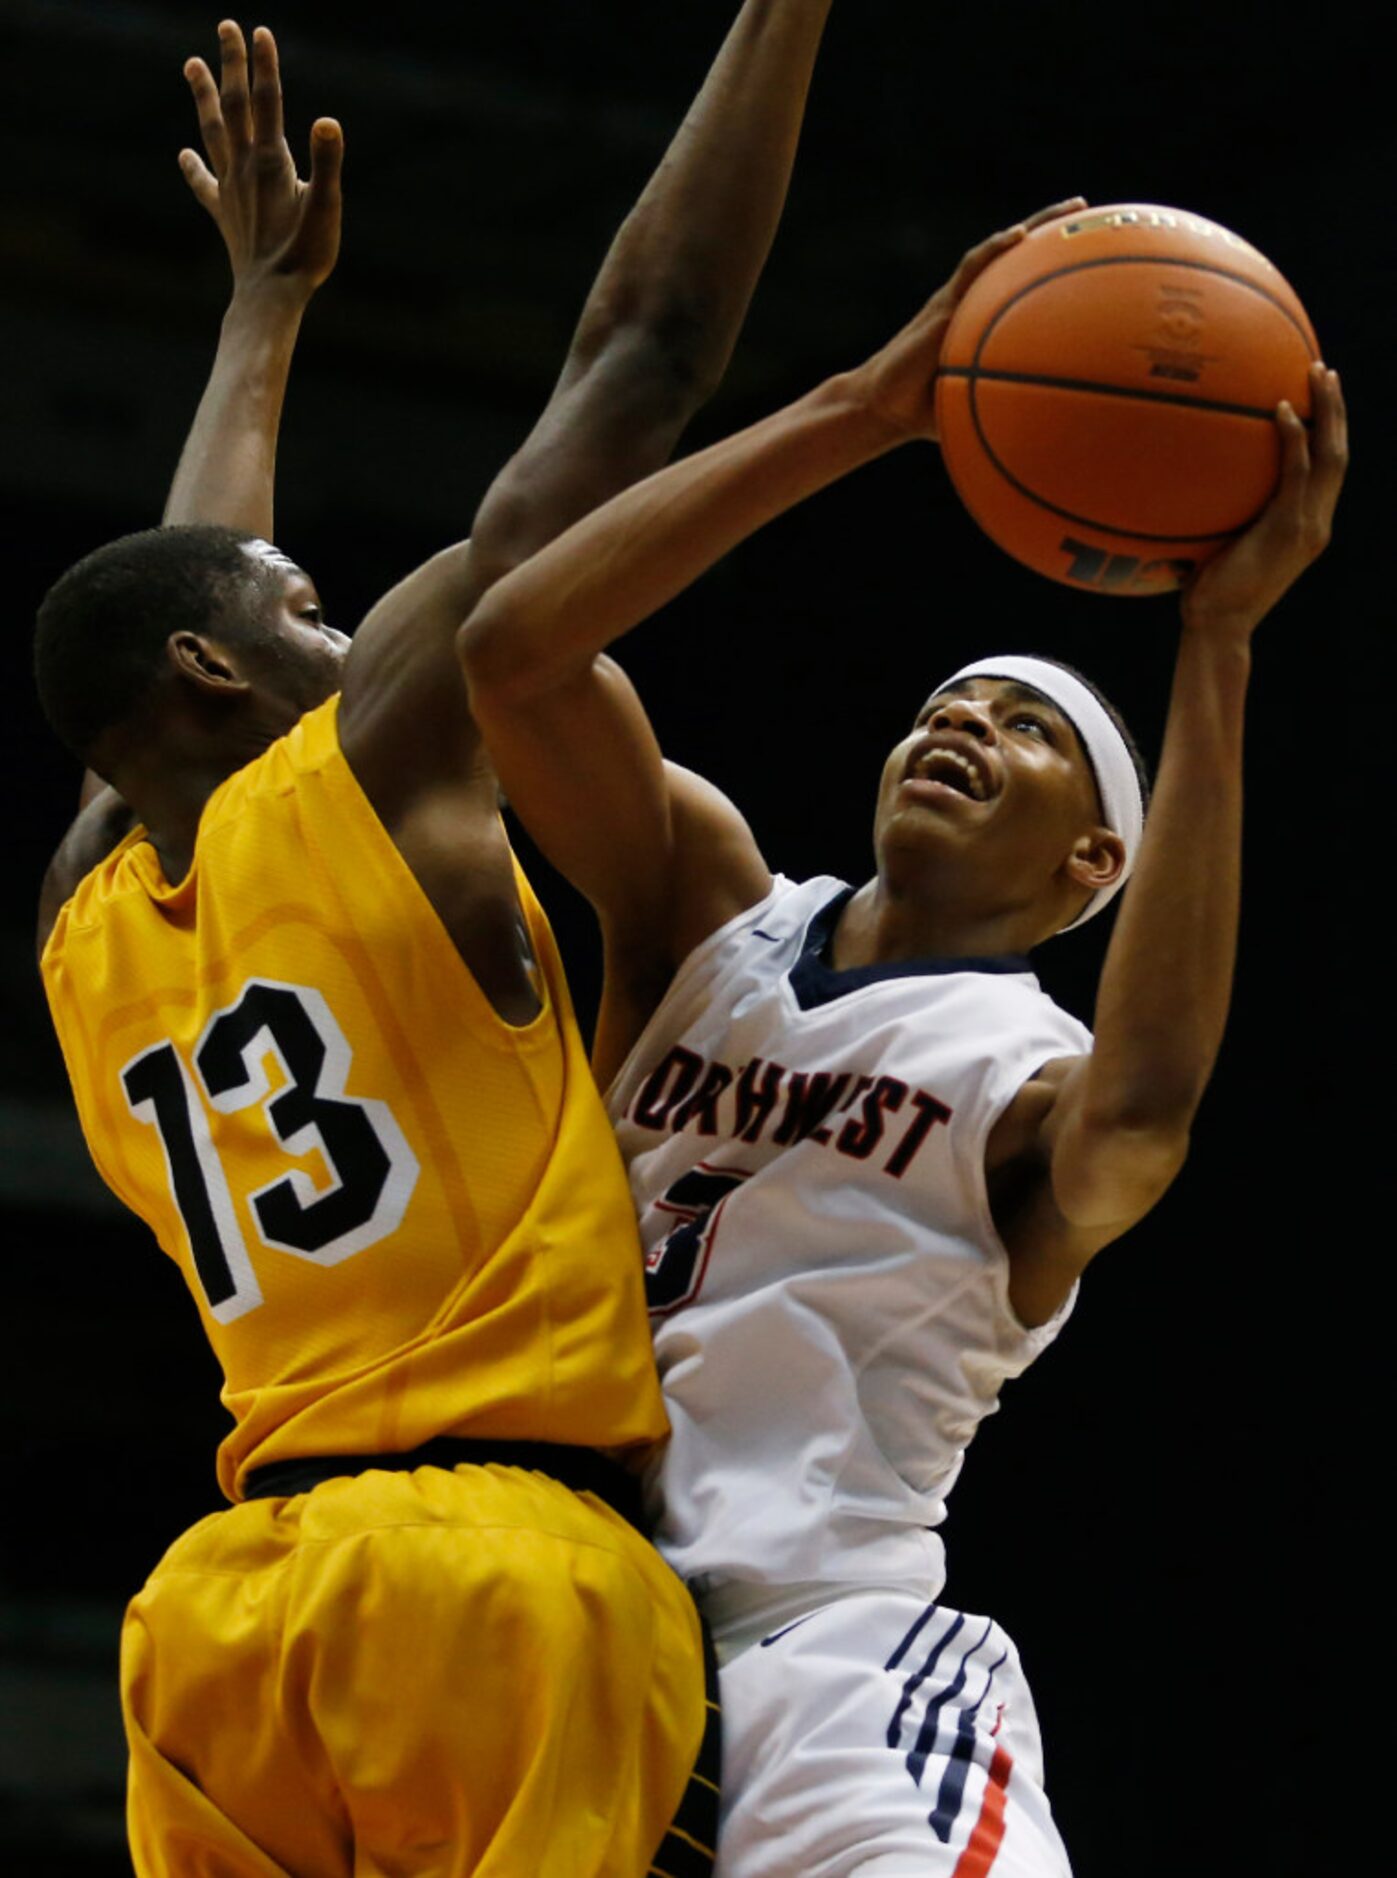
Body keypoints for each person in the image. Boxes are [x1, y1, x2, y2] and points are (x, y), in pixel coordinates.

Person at [33, 8, 836, 1872]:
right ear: (227, 674)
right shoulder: (366, 768)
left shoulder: (85, 921)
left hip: (230, 1619)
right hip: (500, 1573)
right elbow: (640, 362)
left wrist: (258, 316)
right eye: (311, 611)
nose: (344, 633)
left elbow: (168, 609)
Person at [456, 213, 1348, 1873]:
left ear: (1097, 865)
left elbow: (1145, 1115)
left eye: (1030, 729)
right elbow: (513, 650)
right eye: (949, 699)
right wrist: (861, 411)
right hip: (547, 1640)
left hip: (822, 1665)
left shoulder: (1021, 1078)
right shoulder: (703, 909)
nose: (963, 721)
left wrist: (1213, 649)